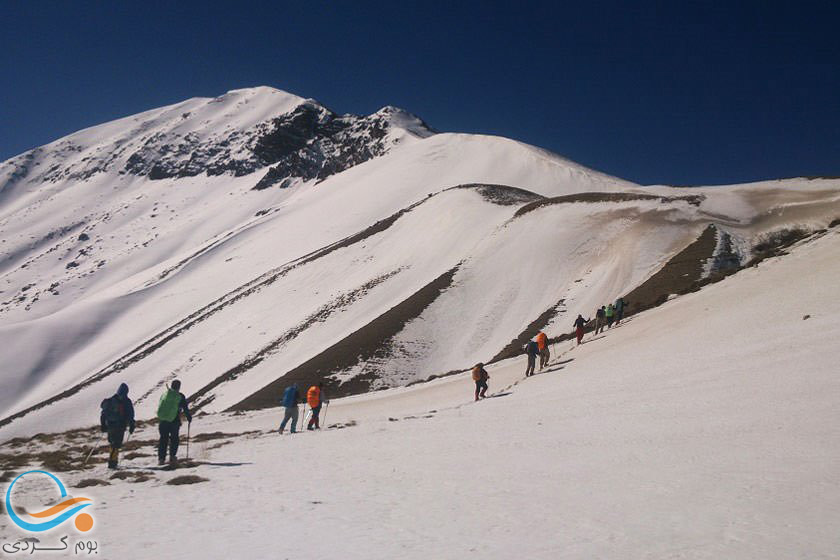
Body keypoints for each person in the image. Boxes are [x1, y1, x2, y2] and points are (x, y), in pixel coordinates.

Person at [156, 379, 192, 466]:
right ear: (179, 387)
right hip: (174, 421)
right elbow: (185, 409)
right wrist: (189, 417)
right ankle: (172, 457)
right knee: (174, 439)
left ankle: (161, 459)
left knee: (163, 439)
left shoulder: (165, 394)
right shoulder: (180, 396)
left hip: (163, 421)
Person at [100, 383, 135, 469]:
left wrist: (103, 425)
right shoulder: (126, 401)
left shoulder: (111, 400)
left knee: (112, 443)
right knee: (117, 444)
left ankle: (112, 460)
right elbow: (130, 415)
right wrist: (131, 425)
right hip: (120, 426)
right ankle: (113, 462)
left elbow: (103, 413)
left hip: (110, 425)